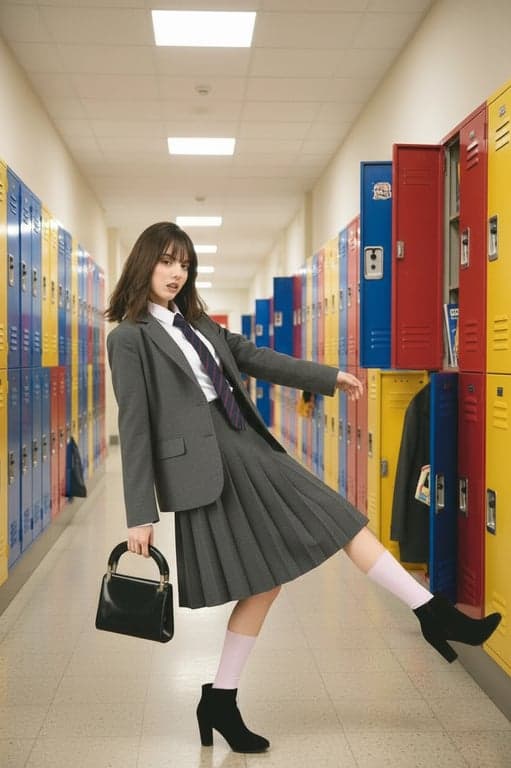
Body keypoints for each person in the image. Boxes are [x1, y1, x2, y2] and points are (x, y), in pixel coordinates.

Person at [105, 221, 501, 755]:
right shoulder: (128, 338)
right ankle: (221, 700)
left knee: (335, 517)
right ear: (145, 262)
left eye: (185, 263)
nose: (177, 273)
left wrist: (327, 375)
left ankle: (431, 613)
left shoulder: (197, 322)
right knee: (267, 583)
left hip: (245, 447)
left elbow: (255, 358)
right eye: (167, 261)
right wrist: (140, 512)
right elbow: (134, 424)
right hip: (201, 470)